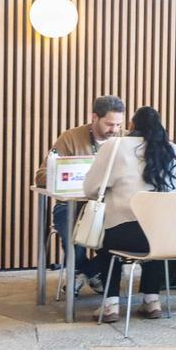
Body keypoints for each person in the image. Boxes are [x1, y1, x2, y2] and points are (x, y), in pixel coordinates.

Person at [84, 106, 176, 323]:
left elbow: (90, 189)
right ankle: (152, 300)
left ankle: (111, 305)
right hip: (166, 237)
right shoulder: (172, 150)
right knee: (154, 229)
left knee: (106, 243)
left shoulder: (115, 147)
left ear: (132, 126)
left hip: (124, 234)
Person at [36, 95, 126, 294]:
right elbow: (41, 176)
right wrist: (68, 174)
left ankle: (81, 274)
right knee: (67, 223)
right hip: (73, 205)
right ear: (94, 117)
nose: (114, 130)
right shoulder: (70, 138)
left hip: (113, 206)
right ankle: (91, 273)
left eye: (118, 124)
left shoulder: (124, 140)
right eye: (109, 124)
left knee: (123, 233)